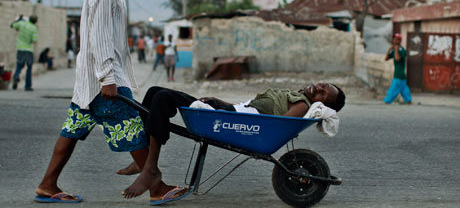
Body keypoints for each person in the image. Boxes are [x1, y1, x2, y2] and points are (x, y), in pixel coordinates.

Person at [34, 0, 184, 204]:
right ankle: (157, 186)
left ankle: (47, 184)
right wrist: (108, 78)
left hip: (88, 83)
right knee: (129, 126)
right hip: (103, 79)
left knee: (71, 131)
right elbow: (100, 37)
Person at [121, 83, 346, 201]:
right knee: (154, 92)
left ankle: (149, 168)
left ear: (324, 105)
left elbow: (277, 124)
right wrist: (221, 102)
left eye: (323, 96)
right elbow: (251, 107)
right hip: (230, 112)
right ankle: (144, 156)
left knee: (160, 99)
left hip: (232, 120)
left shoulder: (303, 104)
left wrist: (226, 109)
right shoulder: (295, 95)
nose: (319, 89)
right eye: (323, 85)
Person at [11, 15, 38, 91]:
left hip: (20, 48)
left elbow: (12, 25)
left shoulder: (22, 23)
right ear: (35, 21)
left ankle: (16, 77)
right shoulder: (34, 28)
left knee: (19, 65)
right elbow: (34, 40)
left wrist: (19, 19)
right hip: (29, 50)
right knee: (29, 68)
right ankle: (28, 86)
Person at [384, 33, 412, 104]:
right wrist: (389, 49)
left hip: (399, 74)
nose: (394, 41)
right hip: (399, 74)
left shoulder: (402, 50)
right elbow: (386, 58)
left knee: (393, 89)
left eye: (396, 39)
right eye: (394, 39)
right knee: (404, 89)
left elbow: (397, 58)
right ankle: (409, 101)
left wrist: (396, 49)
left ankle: (387, 101)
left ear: (399, 41)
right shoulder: (394, 50)